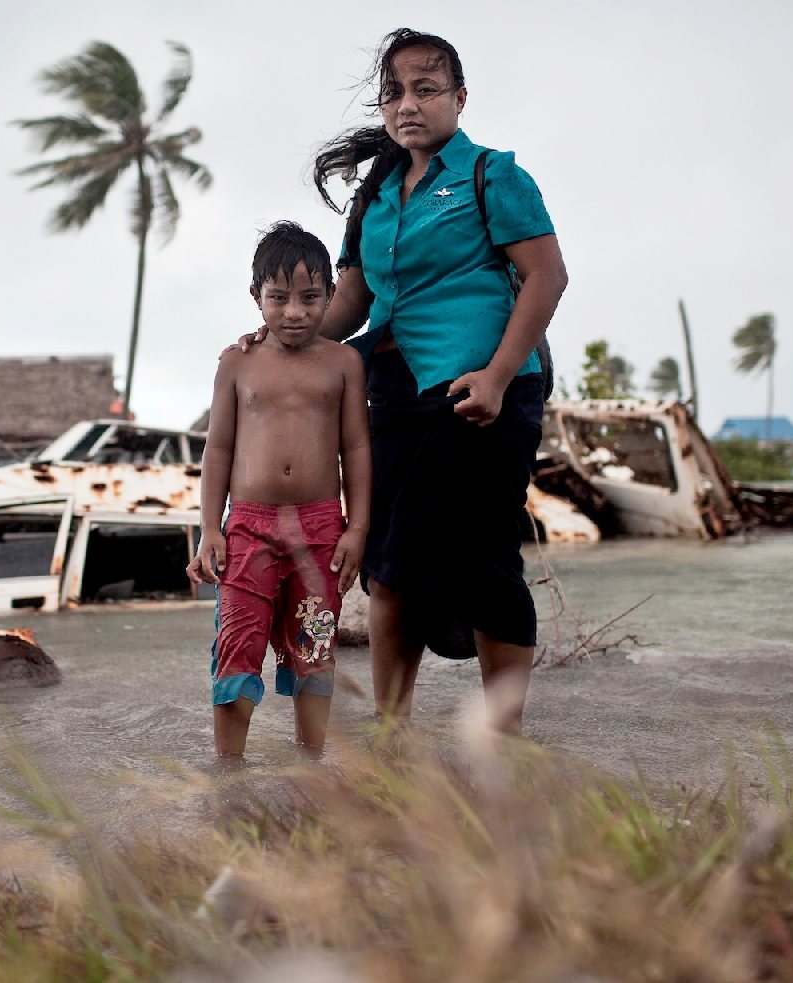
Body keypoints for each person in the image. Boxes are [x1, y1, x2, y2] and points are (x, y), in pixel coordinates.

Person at [246, 29, 568, 735]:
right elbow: (351, 301)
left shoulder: (492, 174)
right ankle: (391, 738)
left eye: (425, 88)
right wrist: (278, 337)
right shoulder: (379, 196)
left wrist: (496, 374)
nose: (407, 105)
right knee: (386, 566)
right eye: (393, 92)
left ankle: (502, 741)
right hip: (392, 393)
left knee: (484, 559)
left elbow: (547, 275)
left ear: (458, 96)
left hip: (481, 394)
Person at [187, 222, 371, 758]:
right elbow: (217, 449)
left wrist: (356, 528)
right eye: (279, 298)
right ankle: (229, 774)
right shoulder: (237, 361)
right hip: (248, 527)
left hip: (320, 528)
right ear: (256, 297)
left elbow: (356, 449)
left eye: (311, 298)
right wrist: (208, 529)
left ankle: (310, 769)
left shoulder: (343, 363)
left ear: (332, 297)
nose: (294, 312)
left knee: (315, 648)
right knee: (237, 646)